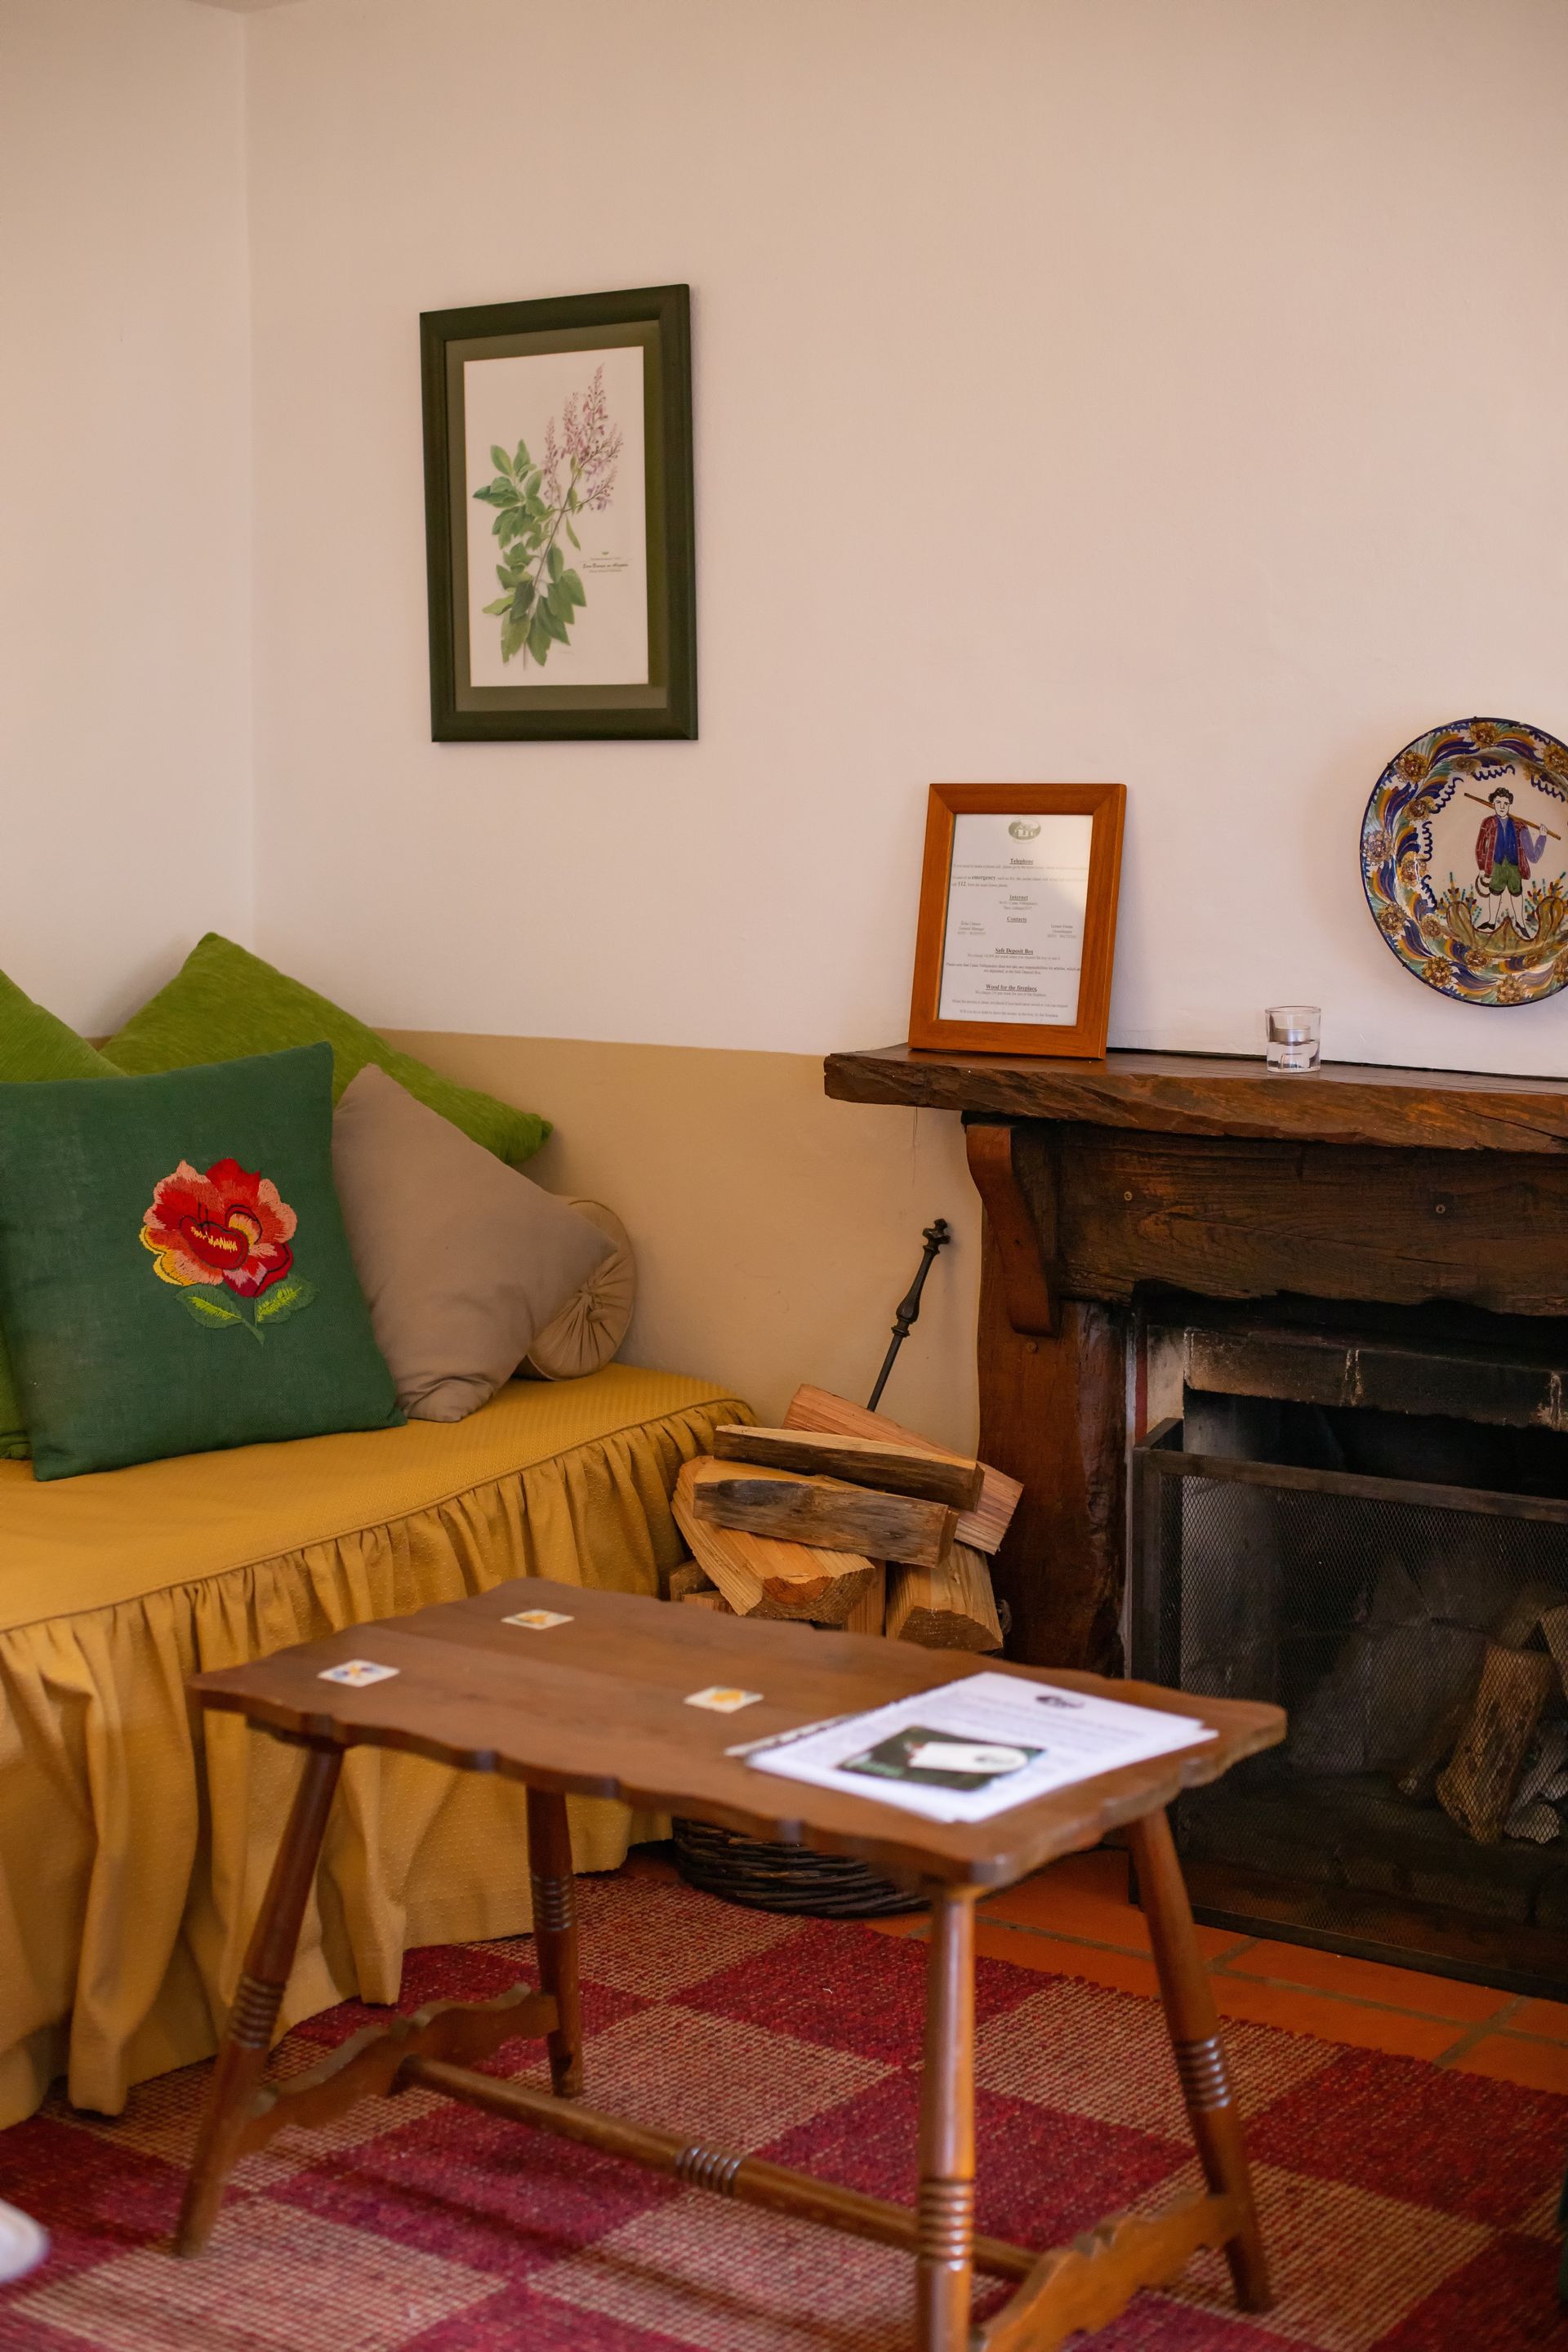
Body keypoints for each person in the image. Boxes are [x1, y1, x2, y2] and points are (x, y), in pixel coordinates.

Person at [1475, 786, 1548, 931]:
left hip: (1515, 866)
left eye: (1506, 803)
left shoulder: (1519, 826)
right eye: (1498, 802)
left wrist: (1542, 837)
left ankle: (1520, 923)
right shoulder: (1488, 823)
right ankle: (1491, 922)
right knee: (1495, 892)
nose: (1502, 806)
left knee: (1516, 892)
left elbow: (1532, 855)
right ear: (1493, 804)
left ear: (1509, 805)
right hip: (1496, 865)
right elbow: (1480, 846)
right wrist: (1482, 868)